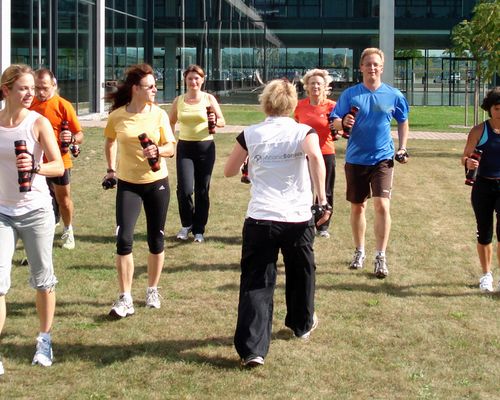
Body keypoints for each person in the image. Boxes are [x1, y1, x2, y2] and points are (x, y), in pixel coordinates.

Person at [224, 79, 330, 368]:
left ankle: (252, 349)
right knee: (302, 273)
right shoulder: (302, 131)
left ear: (265, 103)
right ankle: (301, 323)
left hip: (260, 218)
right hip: (297, 218)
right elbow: (316, 158)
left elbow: (229, 170)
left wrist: (251, 161)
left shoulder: (250, 133)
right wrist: (321, 198)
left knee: (257, 281)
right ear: (293, 104)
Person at [0, 64, 64, 374]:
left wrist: (35, 169)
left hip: (37, 210)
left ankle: (44, 339)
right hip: (2, 212)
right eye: (23, 88)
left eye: (32, 89)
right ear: (6, 91)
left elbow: (58, 167)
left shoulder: (38, 123)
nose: (30, 94)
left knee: (42, 280)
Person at [103, 63, 176, 318]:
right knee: (123, 240)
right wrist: (111, 169)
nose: (155, 90)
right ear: (136, 89)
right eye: (150, 86)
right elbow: (110, 140)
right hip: (128, 185)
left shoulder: (158, 115)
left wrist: (157, 150)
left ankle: (152, 289)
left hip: (157, 182)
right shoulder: (117, 116)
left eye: (155, 86)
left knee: (156, 239)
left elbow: (171, 147)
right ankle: (125, 298)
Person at [331, 47, 409, 279]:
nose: (372, 68)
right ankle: (359, 251)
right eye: (368, 64)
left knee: (382, 205)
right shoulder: (351, 94)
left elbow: (403, 121)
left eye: (376, 64)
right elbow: (334, 121)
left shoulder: (394, 95)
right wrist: (342, 121)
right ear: (361, 68)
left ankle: (380, 256)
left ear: (382, 68)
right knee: (358, 206)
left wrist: (402, 147)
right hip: (356, 158)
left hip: (382, 158)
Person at [168, 64, 225, 243]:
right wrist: (170, 141)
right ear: (185, 80)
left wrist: (215, 121)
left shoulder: (209, 99)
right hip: (185, 148)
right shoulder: (179, 100)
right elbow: (170, 122)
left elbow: (223, 121)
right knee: (184, 190)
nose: (193, 81)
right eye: (190, 78)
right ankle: (187, 225)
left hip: (205, 148)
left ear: (202, 79)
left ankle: (199, 229)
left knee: (202, 190)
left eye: (197, 78)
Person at [30, 68, 84, 250]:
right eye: (37, 88)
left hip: (59, 162)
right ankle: (42, 233)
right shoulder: (29, 105)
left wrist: (71, 139)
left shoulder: (63, 105)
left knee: (63, 199)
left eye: (44, 87)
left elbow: (79, 134)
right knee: (38, 200)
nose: (40, 92)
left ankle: (68, 229)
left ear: (54, 85)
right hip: (35, 163)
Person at [461, 87, 500, 292]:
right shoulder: (479, 130)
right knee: (484, 233)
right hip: (483, 186)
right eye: (497, 108)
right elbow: (465, 157)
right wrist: (469, 163)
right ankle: (486, 275)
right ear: (489, 109)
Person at [295, 68, 337, 238]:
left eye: (319, 83)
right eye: (312, 83)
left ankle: (323, 226)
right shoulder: (299, 106)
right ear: (306, 86)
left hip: (325, 153)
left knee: (325, 190)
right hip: (304, 154)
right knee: (304, 189)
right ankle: (305, 224)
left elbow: (338, 128)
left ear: (325, 86)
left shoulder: (332, 106)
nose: (315, 87)